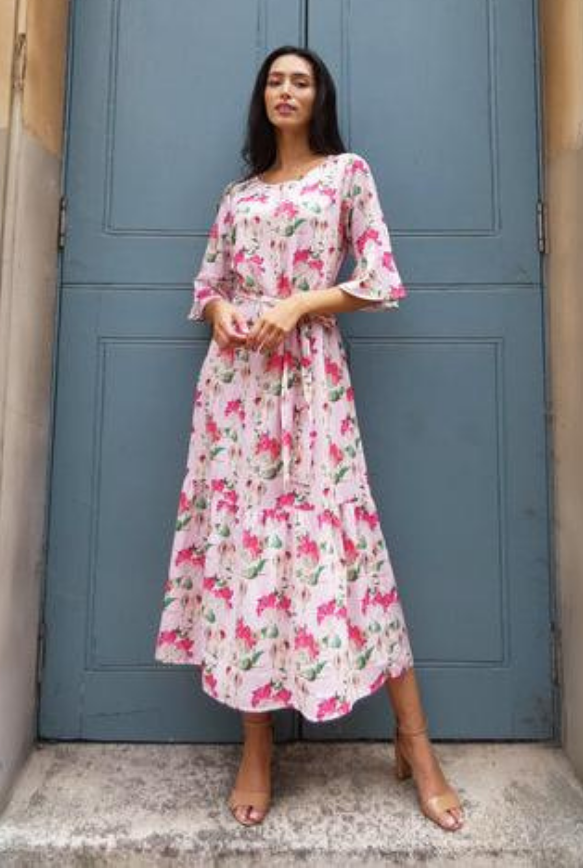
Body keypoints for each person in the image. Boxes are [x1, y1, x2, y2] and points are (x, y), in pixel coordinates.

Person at [154, 45, 464, 832]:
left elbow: (382, 278)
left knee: (347, 541)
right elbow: (208, 285)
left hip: (312, 384)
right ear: (261, 98)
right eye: (274, 81)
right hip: (236, 393)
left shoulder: (346, 174)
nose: (285, 91)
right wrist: (223, 312)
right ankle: (256, 748)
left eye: (300, 81)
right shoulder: (238, 194)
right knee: (243, 555)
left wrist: (298, 306)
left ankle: (415, 743)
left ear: (318, 96)